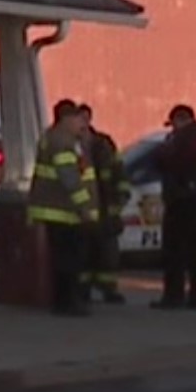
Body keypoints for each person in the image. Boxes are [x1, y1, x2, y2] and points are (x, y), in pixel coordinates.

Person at [28, 99, 101, 317]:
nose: (82, 123)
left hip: (61, 211)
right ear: (67, 119)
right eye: (78, 119)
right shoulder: (62, 141)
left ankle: (66, 301)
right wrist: (85, 206)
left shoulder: (62, 138)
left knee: (65, 258)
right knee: (68, 259)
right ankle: (67, 302)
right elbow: (69, 177)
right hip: (63, 212)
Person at [152, 104, 196, 311]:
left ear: (180, 120)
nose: (172, 128)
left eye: (174, 123)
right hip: (193, 198)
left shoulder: (185, 139)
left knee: (176, 250)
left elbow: (170, 161)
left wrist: (163, 153)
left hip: (184, 200)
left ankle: (175, 296)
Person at [79, 104, 129, 305]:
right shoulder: (70, 144)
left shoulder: (103, 143)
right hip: (82, 206)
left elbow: (118, 170)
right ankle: (83, 290)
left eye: (85, 118)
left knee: (107, 251)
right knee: (83, 251)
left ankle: (109, 289)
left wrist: (120, 197)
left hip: (105, 205)